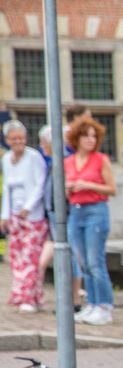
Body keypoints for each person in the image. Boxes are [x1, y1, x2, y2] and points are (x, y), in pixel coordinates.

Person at [64, 116, 115, 325]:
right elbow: (67, 192)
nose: (90, 140)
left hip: (96, 211)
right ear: (77, 138)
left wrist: (88, 185)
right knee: (83, 262)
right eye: (86, 136)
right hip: (76, 212)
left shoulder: (101, 159)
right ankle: (92, 304)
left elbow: (112, 189)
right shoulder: (68, 161)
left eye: (94, 136)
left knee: (96, 261)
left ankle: (105, 306)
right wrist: (70, 187)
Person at [1, 120, 50, 312]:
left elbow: (40, 184)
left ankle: (28, 297)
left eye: (21, 138)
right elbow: (7, 188)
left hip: (33, 217)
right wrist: (4, 215)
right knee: (16, 257)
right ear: (7, 140)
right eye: (14, 138)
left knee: (31, 258)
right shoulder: (6, 159)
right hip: (15, 216)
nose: (18, 141)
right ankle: (26, 294)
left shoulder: (34, 157)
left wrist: (28, 207)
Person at [36, 125, 55, 286]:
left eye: (43, 143)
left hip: (58, 212)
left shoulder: (58, 160)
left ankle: (38, 272)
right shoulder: (45, 160)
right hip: (49, 211)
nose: (41, 147)